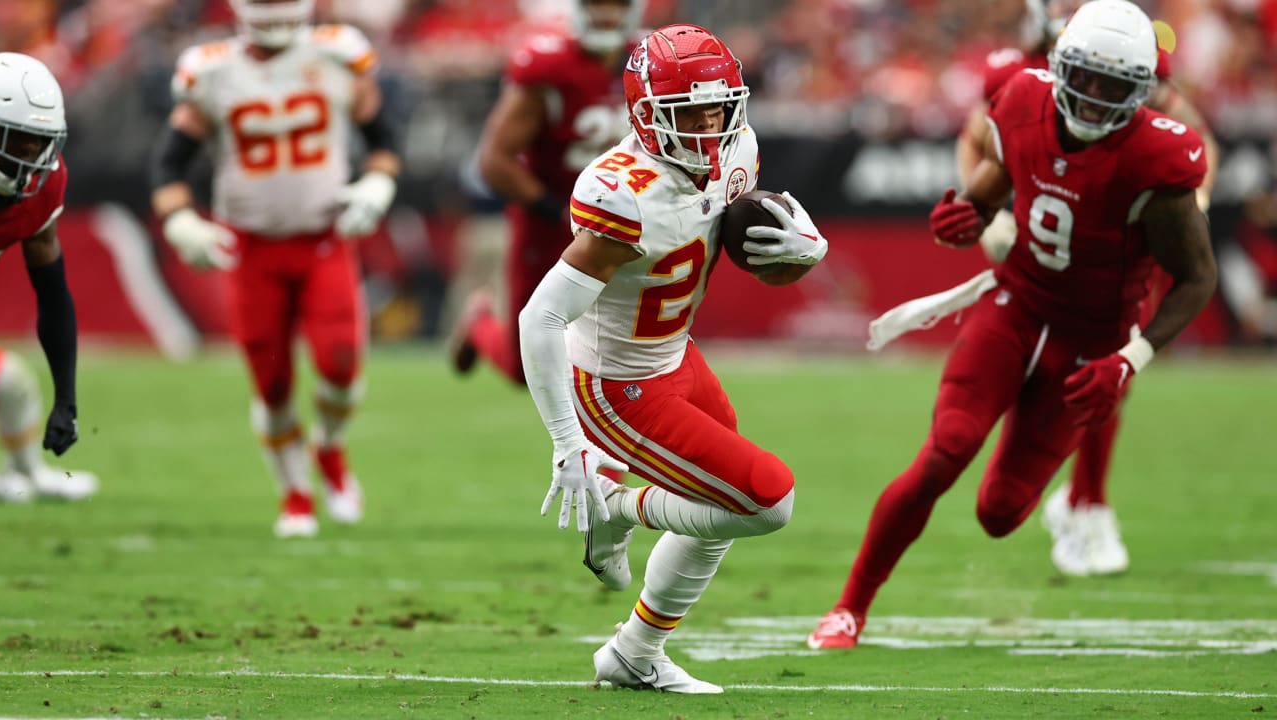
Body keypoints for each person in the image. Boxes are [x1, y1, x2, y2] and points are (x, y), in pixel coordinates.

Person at [808, 0, 1216, 649]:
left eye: (1115, 87)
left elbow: (1198, 277)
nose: (1095, 97)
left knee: (999, 515)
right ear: (1060, 69)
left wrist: (1130, 358)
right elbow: (998, 178)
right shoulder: (1023, 99)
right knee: (944, 453)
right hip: (1016, 306)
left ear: (1142, 93)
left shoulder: (1155, 157)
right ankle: (848, 609)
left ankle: (1069, 502)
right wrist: (971, 210)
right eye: (1085, 78)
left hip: (1090, 343)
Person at [519, 24, 827, 692]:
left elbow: (747, 256)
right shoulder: (620, 190)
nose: (709, 124)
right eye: (690, 112)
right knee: (766, 501)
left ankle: (635, 655)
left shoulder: (736, 151)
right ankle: (615, 503)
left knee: (719, 505)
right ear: (646, 114)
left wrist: (800, 254)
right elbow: (540, 316)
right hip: (616, 386)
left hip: (677, 357)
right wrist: (567, 444)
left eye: (720, 107)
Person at [955, 0, 1219, 577]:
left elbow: (1193, 131)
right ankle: (1073, 499)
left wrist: (1183, 210)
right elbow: (976, 141)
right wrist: (988, 211)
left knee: (1104, 370)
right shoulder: (1019, 78)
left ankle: (1087, 501)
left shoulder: (1129, 59)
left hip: (1102, 243)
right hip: (1033, 246)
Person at [150, 0, 402, 538]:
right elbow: (169, 161)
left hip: (322, 240)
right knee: (272, 383)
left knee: (339, 367)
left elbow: (384, 139)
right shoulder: (212, 71)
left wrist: (380, 182)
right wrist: (178, 220)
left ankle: (330, 450)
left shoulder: (339, 56)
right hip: (251, 250)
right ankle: (295, 494)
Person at [451, 0, 644, 385]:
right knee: (525, 367)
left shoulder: (647, 63)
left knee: (628, 345)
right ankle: (480, 325)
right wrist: (553, 208)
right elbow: (494, 160)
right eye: (597, 4)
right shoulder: (549, 67)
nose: (607, 14)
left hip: (623, 220)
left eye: (618, 5)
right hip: (552, 217)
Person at [0, 53, 97, 503]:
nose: (32, 158)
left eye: (40, 143)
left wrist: (67, 398)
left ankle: (31, 475)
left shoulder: (43, 188)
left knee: (10, 382)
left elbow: (53, 293)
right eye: (19, 142)